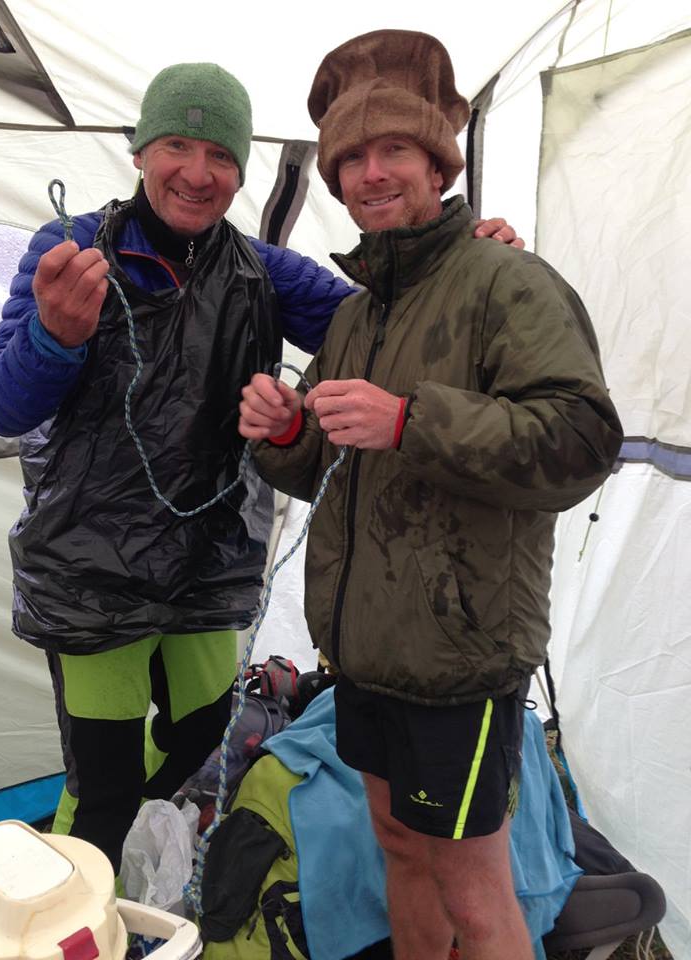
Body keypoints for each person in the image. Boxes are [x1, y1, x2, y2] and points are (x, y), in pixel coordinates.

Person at [0, 60, 521, 876]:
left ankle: (122, 847)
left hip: (205, 561)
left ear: (240, 171)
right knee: (106, 784)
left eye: (220, 156)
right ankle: (70, 895)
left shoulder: (265, 273)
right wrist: (55, 334)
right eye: (176, 146)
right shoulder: (68, 250)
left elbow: (390, 324)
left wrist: (465, 265)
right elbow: (4, 405)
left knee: (202, 733)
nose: (197, 173)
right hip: (89, 568)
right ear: (139, 152)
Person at [239, 30, 623, 960]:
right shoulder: (359, 312)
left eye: (394, 150)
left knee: (472, 880)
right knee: (401, 849)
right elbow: (330, 465)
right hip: (368, 652)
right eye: (353, 158)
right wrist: (287, 432)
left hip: (458, 657)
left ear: (436, 162)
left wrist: (412, 419)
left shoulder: (506, 282)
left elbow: (581, 441)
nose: (373, 173)